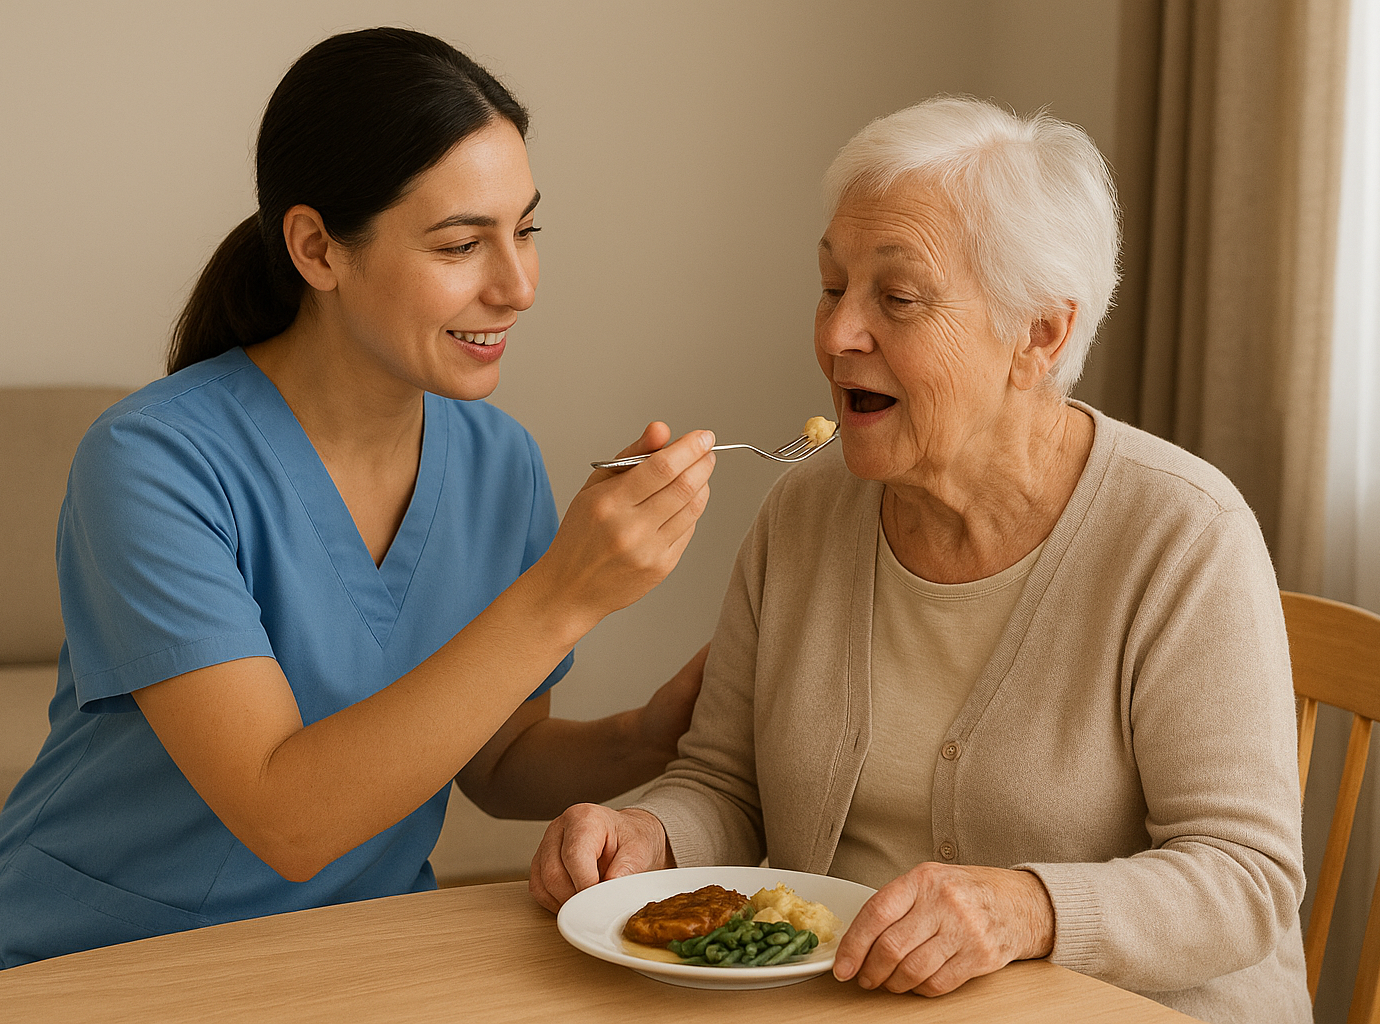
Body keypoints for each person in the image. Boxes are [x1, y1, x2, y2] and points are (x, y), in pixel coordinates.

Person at [0, 27, 718, 986]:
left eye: (528, 229)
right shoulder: (152, 462)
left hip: (340, 966)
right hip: (82, 968)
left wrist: (663, 731)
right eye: (464, 243)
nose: (517, 285)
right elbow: (285, 816)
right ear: (317, 249)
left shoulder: (497, 460)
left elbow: (498, 759)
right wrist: (566, 592)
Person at [529, 96, 1312, 1024]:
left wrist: (1026, 908)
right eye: (831, 286)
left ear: (1040, 335)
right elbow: (725, 783)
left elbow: (1247, 879)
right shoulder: (804, 513)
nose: (835, 336)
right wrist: (648, 836)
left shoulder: (1183, 534)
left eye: (896, 299)